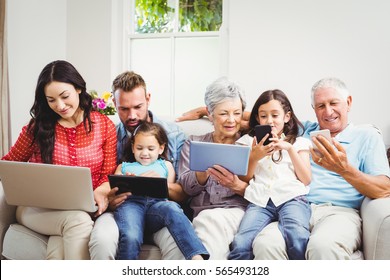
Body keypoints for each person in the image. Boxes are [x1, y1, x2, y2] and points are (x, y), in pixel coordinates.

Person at [177, 77, 390, 259]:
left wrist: (345, 169)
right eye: (320, 106)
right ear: (313, 109)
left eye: (334, 103)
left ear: (349, 102)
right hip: (291, 204)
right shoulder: (306, 130)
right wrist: (206, 111)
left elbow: (384, 188)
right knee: (265, 245)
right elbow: (267, 115)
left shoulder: (366, 136)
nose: (328, 112)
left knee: (321, 246)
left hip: (335, 210)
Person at [1, 60, 117, 259]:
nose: (60, 106)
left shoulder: (104, 125)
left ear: (79, 88)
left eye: (65, 96)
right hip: (35, 209)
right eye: (51, 100)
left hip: (80, 210)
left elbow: (108, 173)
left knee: (61, 247)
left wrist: (102, 190)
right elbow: (8, 165)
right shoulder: (37, 127)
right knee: (78, 221)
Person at [89, 71, 188, 260]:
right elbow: (103, 182)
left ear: (148, 99)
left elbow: (184, 193)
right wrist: (109, 200)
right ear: (115, 105)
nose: (132, 115)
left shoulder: (175, 135)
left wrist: (159, 184)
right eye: (124, 109)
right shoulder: (110, 135)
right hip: (122, 210)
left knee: (178, 244)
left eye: (138, 107)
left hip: (160, 211)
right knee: (102, 239)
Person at [228, 89, 312, 260]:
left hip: (292, 198)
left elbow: (306, 179)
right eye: (264, 116)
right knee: (241, 241)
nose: (270, 121)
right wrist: (254, 156)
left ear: (286, 117)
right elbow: (245, 179)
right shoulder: (246, 142)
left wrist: (288, 148)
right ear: (258, 118)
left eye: (275, 115)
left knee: (298, 236)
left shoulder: (299, 142)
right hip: (260, 201)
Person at [177, 76, 250, 259]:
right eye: (224, 113)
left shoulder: (249, 144)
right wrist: (202, 171)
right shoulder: (193, 143)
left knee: (209, 221)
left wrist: (236, 185)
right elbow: (185, 187)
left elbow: (261, 191)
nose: (231, 120)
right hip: (202, 214)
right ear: (209, 114)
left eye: (237, 113)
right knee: (205, 222)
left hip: (237, 213)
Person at [112, 122, 208, 260]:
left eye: (151, 148)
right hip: (131, 205)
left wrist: (159, 181)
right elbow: (116, 189)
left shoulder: (166, 166)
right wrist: (126, 181)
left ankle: (196, 256)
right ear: (133, 147)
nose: (145, 153)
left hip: (156, 207)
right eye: (139, 148)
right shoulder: (123, 167)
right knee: (131, 236)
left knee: (172, 207)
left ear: (161, 148)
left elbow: (171, 194)